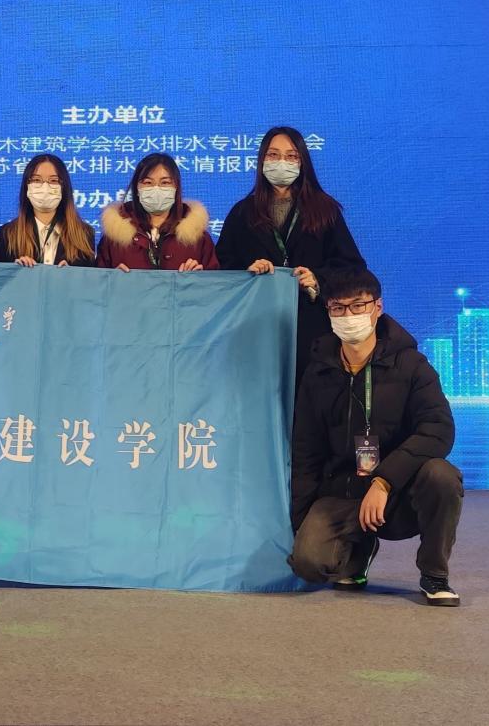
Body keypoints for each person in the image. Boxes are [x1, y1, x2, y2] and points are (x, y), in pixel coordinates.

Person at [288, 269, 463, 606]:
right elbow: (306, 449)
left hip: (398, 493)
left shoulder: (411, 365)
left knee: (441, 476)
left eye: (358, 306)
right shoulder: (318, 371)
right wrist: (301, 522)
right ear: (328, 312)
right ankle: (358, 555)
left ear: (377, 307)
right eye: (338, 308)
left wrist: (384, 481)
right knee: (308, 563)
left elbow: (439, 429)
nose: (348, 316)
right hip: (342, 492)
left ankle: (434, 574)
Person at [216, 127, 366, 379]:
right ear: (262, 160)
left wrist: (317, 279)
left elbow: (353, 267)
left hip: (313, 328)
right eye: (273, 155)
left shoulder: (325, 210)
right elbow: (222, 270)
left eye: (291, 156)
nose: (281, 162)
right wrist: (247, 274)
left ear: (302, 162)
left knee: (309, 396)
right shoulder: (242, 213)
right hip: (256, 328)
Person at [96, 153, 220, 272]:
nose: (156, 189)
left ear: (176, 187)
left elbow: (215, 282)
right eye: (148, 183)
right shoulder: (113, 239)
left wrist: (200, 278)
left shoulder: (198, 238)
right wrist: (113, 279)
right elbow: (98, 281)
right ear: (137, 188)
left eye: (165, 182)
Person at [0, 154, 96, 267]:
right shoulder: (8, 233)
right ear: (26, 186)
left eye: (53, 180)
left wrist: (72, 274)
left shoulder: (84, 234)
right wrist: (15, 270)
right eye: (37, 180)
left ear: (64, 187)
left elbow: (90, 277)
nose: (45, 187)